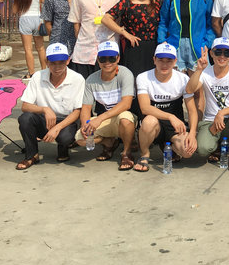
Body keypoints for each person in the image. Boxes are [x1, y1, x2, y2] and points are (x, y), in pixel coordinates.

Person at [16, 43, 85, 169]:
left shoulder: (77, 79)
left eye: (61, 62)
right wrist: (44, 109)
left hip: (66, 121)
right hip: (45, 119)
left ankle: (63, 148)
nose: (57, 67)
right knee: (25, 118)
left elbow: (77, 111)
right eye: (53, 63)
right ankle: (32, 155)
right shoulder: (38, 76)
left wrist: (57, 128)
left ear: (68, 61)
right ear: (47, 62)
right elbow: (25, 106)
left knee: (65, 137)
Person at [134, 42, 198, 172]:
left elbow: (192, 111)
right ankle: (144, 154)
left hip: (175, 126)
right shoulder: (143, 77)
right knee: (149, 121)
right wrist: (170, 116)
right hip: (154, 123)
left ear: (175, 61)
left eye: (169, 61)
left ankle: (169, 146)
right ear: (154, 60)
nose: (164, 64)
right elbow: (145, 108)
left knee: (188, 151)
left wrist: (192, 133)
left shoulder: (183, 79)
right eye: (160, 60)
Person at [185, 37, 229, 170]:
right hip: (211, 121)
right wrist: (199, 70)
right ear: (211, 53)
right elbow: (189, 89)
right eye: (218, 52)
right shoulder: (205, 73)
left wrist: (222, 113)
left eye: (226, 53)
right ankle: (216, 147)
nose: (222, 56)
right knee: (202, 149)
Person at [76, 41, 136, 170]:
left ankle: (126, 152)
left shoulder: (125, 74)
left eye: (112, 58)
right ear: (98, 59)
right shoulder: (91, 79)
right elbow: (86, 107)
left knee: (125, 118)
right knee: (80, 139)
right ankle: (108, 142)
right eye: (103, 59)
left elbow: (126, 103)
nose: (107, 62)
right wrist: (85, 125)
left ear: (118, 58)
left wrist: (99, 118)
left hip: (121, 117)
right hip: (106, 120)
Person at [67, 0, 130, 78]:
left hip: (109, 50)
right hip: (85, 50)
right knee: (85, 84)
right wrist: (82, 41)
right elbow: (76, 22)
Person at [102, 0, 162, 81]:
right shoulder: (126, 3)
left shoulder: (158, 2)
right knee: (132, 79)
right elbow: (106, 19)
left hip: (153, 47)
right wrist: (125, 33)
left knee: (151, 80)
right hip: (132, 47)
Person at [157, 0, 214, 74]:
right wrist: (162, 41)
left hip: (197, 45)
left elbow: (211, 23)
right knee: (176, 82)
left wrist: (207, 43)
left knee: (198, 82)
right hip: (175, 45)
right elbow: (163, 22)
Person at [12, 0, 47, 79]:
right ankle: (45, 71)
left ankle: (31, 73)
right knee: (40, 48)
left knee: (28, 49)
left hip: (25, 19)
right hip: (37, 19)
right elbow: (46, 3)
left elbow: (14, 11)